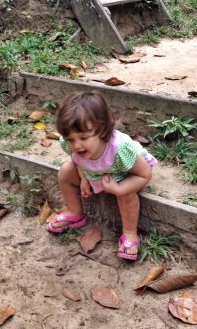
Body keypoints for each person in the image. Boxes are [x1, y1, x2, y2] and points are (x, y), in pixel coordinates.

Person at [47, 91, 157, 261]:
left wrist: (119, 189)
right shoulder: (70, 144)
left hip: (125, 173)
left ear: (102, 130)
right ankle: (75, 212)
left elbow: (144, 175)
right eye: (70, 139)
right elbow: (76, 160)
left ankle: (129, 234)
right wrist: (83, 177)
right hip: (94, 172)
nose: (76, 145)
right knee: (65, 171)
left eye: (83, 137)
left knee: (127, 194)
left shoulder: (120, 150)